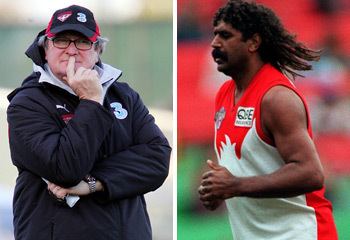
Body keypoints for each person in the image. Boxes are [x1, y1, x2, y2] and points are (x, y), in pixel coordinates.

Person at [7, 5, 171, 240]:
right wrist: (91, 101)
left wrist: (94, 183)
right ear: (45, 48)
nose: (72, 50)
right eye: (62, 40)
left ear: (98, 51)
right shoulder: (26, 102)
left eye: (83, 42)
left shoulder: (124, 96)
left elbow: (158, 159)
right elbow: (65, 169)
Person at [198, 1, 338, 239]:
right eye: (214, 35)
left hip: (299, 233)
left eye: (225, 35)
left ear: (253, 42)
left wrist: (235, 186)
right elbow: (246, 165)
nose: (215, 43)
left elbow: (311, 173)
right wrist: (217, 189)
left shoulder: (277, 97)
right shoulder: (224, 94)